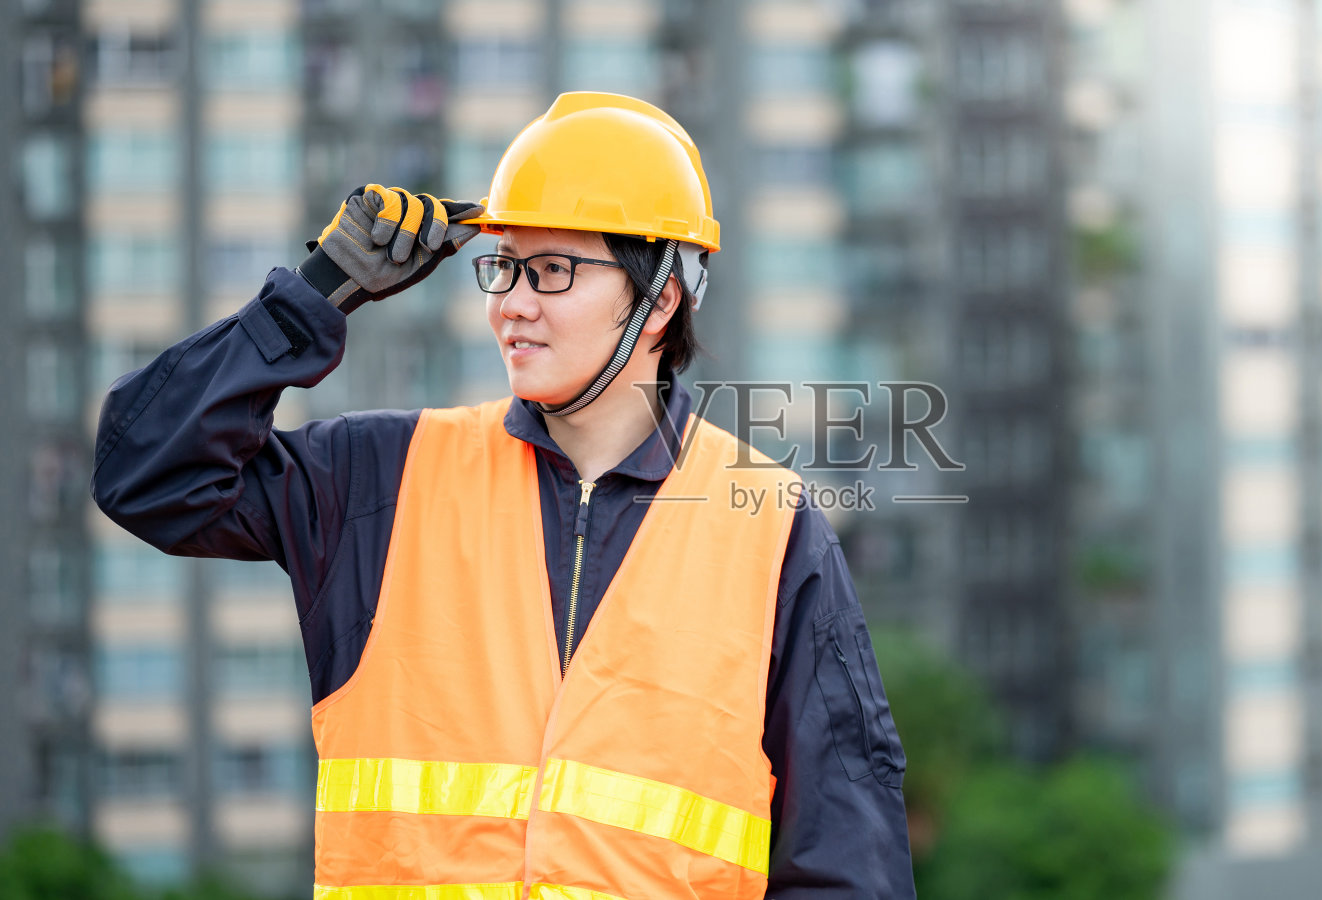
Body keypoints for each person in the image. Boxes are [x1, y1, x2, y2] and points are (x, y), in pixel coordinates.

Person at [93, 92, 914, 899]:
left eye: (553, 271)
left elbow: (847, 859)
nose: (510, 305)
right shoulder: (380, 481)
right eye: (504, 267)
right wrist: (314, 296)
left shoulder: (769, 527)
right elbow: (148, 473)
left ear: (661, 299)